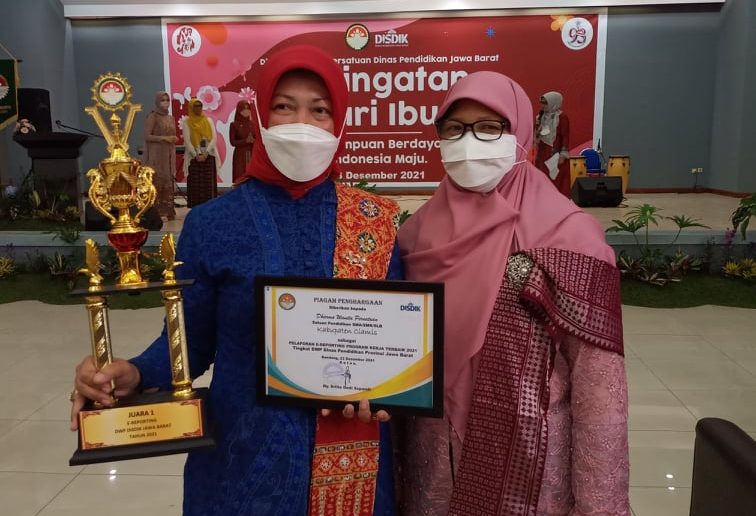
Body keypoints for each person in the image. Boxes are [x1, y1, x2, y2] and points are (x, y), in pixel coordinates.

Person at [70, 45, 402, 516]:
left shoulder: (376, 222)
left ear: (340, 123)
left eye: (319, 110)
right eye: (283, 106)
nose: (301, 123)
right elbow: (189, 341)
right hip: (243, 464)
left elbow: (397, 348)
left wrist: (390, 394)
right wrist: (134, 373)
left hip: (350, 469)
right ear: (261, 116)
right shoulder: (212, 224)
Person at [396, 72, 629, 515]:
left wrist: (600, 506)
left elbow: (600, 392)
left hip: (529, 474)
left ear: (520, 132)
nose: (469, 142)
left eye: (489, 127)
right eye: (454, 129)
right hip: (433, 466)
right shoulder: (415, 237)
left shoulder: (570, 236)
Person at [143, 91, 178, 221]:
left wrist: (173, 139)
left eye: (167, 100)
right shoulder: (153, 116)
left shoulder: (170, 118)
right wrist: (163, 138)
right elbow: (147, 136)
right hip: (156, 154)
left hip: (168, 153)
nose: (165, 102)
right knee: (157, 181)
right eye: (163, 100)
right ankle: (155, 212)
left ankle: (168, 210)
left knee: (168, 180)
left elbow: (172, 134)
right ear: (157, 102)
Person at [182, 98, 218, 207]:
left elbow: (213, 138)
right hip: (194, 158)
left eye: (200, 106)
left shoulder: (208, 120)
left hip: (208, 155)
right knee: (195, 184)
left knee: (208, 184)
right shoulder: (187, 122)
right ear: (191, 108)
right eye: (196, 106)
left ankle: (209, 207)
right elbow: (187, 141)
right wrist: (196, 154)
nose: (198, 108)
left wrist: (206, 153)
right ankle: (195, 208)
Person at [534, 91, 571, 197]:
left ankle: (557, 201)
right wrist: (537, 128)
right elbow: (537, 137)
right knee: (542, 178)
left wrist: (563, 154)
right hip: (543, 153)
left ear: (553, 102)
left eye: (545, 103)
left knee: (555, 179)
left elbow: (565, 136)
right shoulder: (540, 117)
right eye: (541, 103)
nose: (542, 106)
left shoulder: (562, 117)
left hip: (555, 154)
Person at [229, 100, 255, 183]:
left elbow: (258, 140)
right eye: (243, 109)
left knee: (252, 177)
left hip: (252, 153)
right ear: (239, 111)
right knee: (240, 177)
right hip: (240, 155)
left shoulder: (253, 124)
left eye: (248, 108)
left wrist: (253, 140)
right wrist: (245, 141)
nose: (246, 111)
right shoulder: (234, 124)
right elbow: (233, 142)